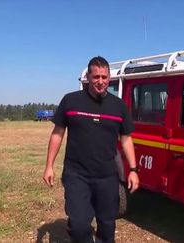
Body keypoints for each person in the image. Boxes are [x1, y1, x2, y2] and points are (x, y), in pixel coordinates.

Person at [43, 56, 139, 243]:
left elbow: (126, 139)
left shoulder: (118, 106)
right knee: (79, 226)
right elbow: (57, 134)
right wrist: (49, 166)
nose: (100, 82)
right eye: (96, 77)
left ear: (109, 77)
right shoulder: (71, 101)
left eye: (104, 77)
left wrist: (133, 170)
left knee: (107, 225)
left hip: (107, 176)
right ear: (88, 76)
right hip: (77, 174)